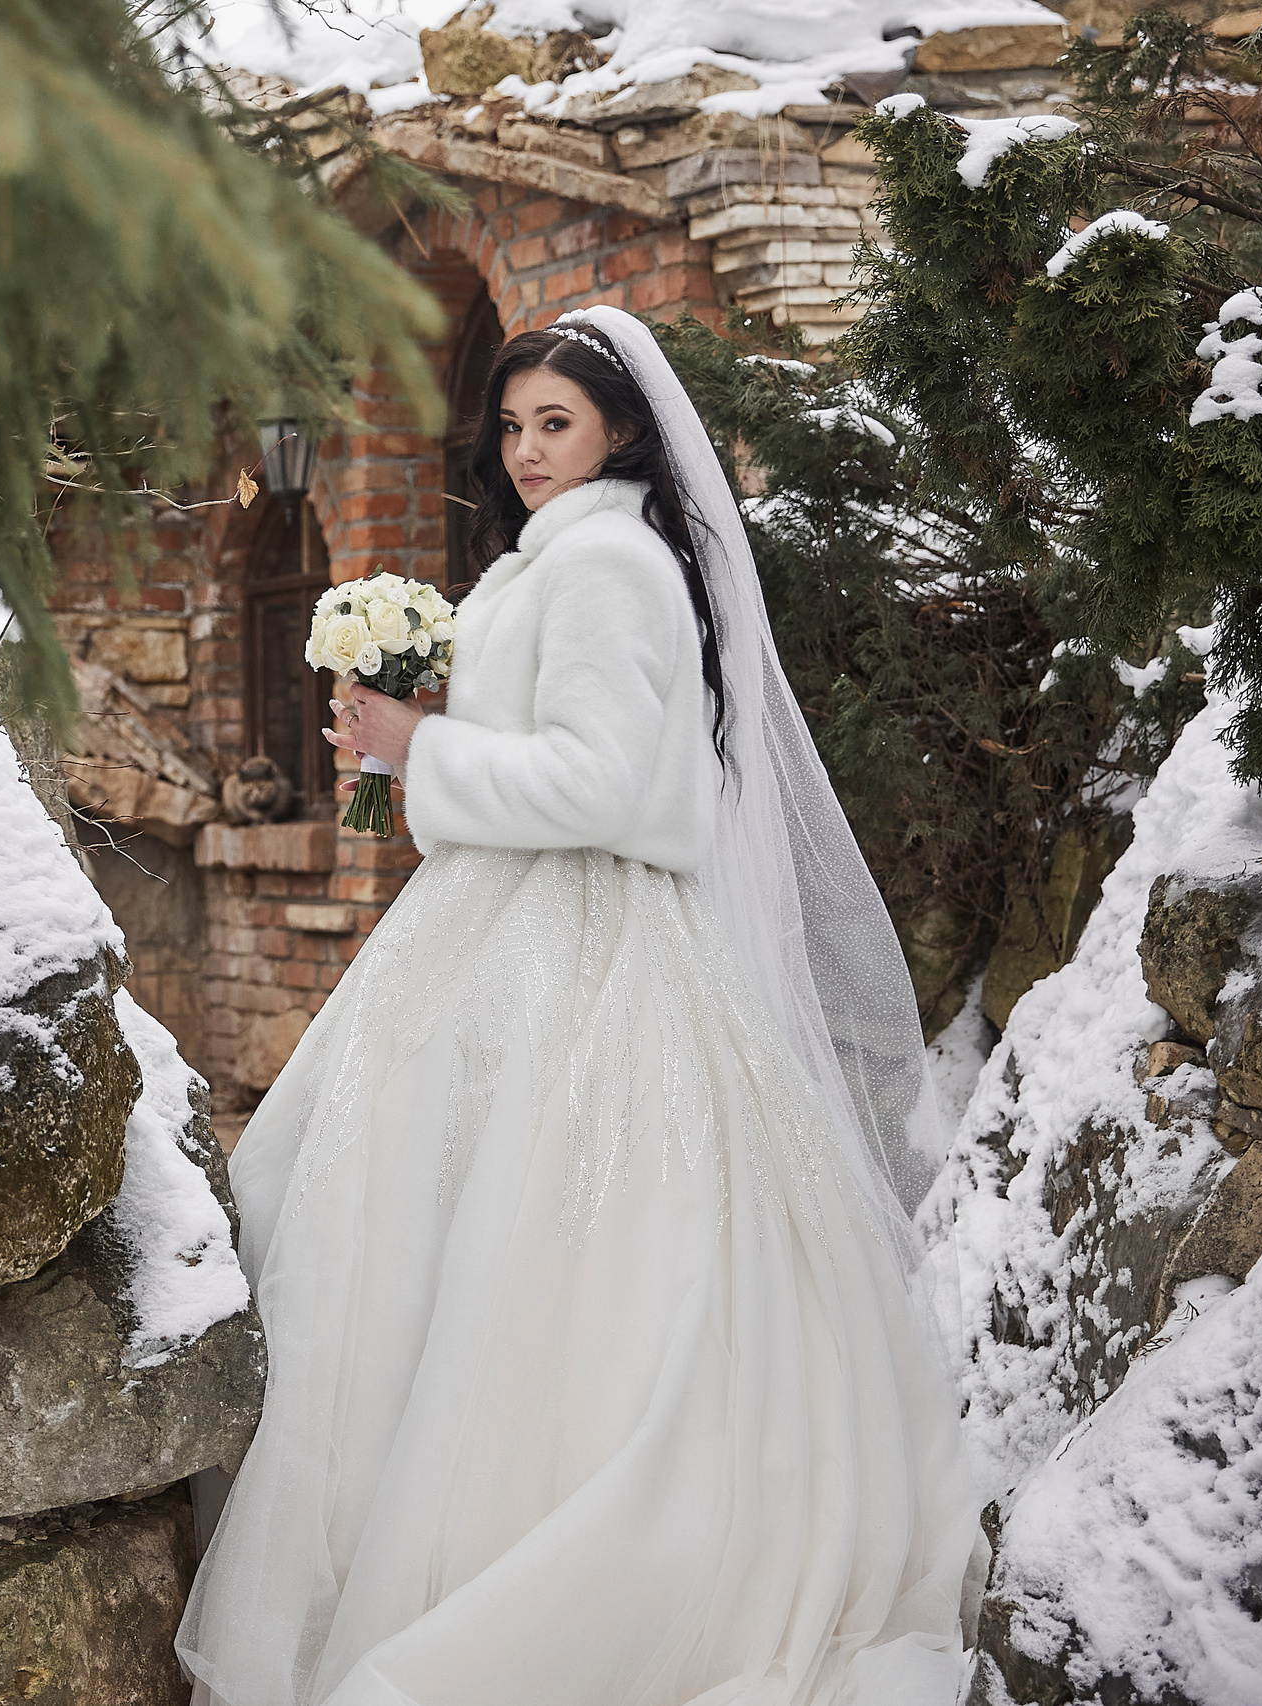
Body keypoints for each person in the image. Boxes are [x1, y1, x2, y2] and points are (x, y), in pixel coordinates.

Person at [175, 305, 983, 1706]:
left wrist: (427, 745)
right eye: (512, 425)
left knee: (546, 1256)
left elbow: (616, 789)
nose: (528, 449)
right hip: (511, 924)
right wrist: (407, 750)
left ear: (619, 430)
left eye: (557, 422)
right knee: (434, 1237)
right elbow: (543, 765)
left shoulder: (608, 563)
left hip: (591, 939)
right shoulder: (548, 563)